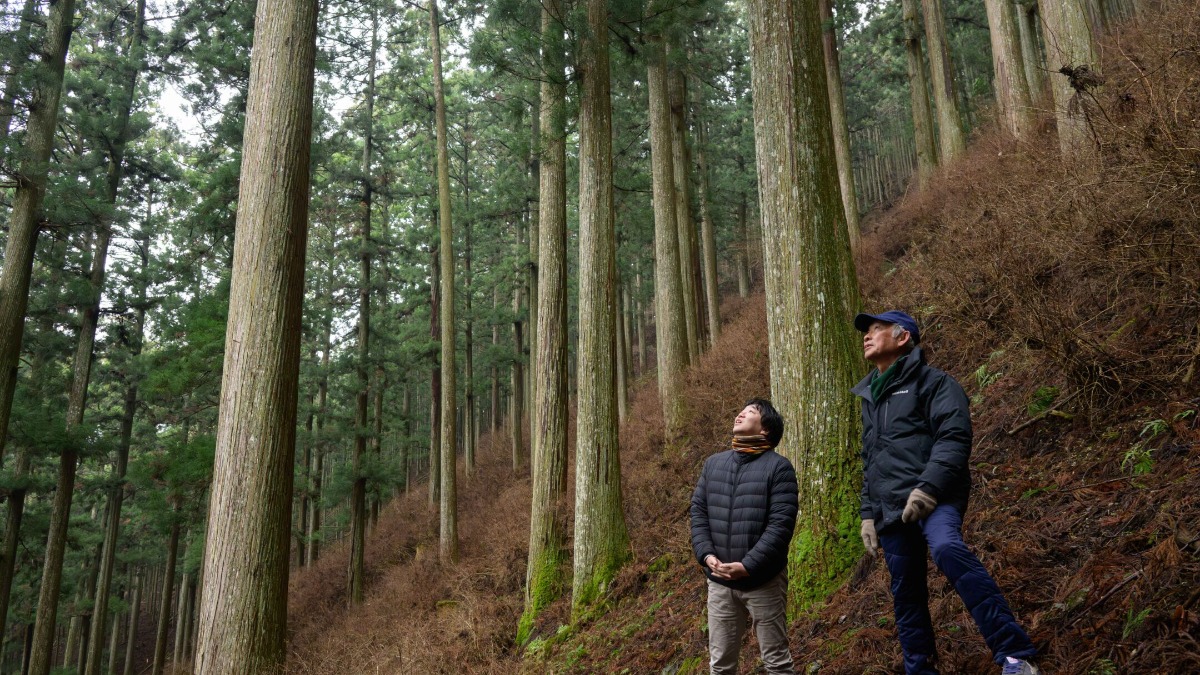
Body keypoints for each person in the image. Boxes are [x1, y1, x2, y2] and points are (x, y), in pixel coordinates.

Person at [852, 310, 1039, 675]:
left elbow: (953, 438)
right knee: (906, 594)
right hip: (890, 509)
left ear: (903, 337)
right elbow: (870, 459)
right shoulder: (869, 397)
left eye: (877, 329)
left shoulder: (935, 383)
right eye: (866, 331)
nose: (867, 336)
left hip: (935, 498)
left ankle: (1015, 655)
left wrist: (928, 488)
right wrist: (867, 514)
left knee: (946, 548)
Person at [690, 398, 798, 675]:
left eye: (751, 412)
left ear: (765, 430)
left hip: (764, 581)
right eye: (741, 410)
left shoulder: (779, 468)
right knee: (721, 664)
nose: (741, 413)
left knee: (776, 661)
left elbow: (780, 526)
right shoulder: (714, 464)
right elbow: (698, 513)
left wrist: (748, 565)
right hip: (719, 582)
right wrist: (706, 555)